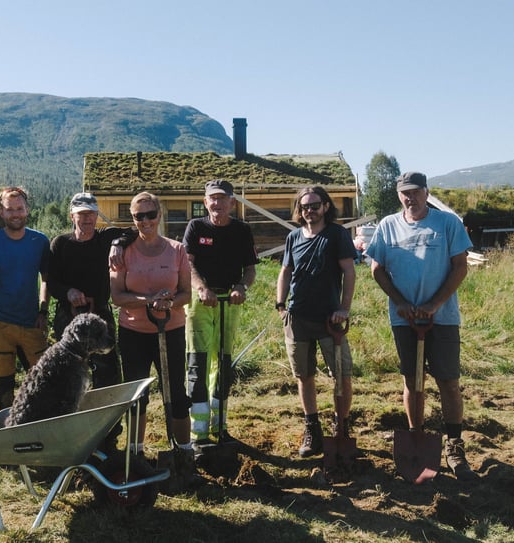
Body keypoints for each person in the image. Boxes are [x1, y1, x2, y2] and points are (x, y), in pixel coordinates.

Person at [364, 171, 478, 480]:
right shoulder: (388, 226)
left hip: (441, 319)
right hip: (404, 319)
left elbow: (460, 267)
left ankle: (454, 444)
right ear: (398, 195)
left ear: (426, 192)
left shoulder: (447, 223)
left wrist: (434, 304)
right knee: (412, 380)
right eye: (404, 192)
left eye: (415, 191)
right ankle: (417, 438)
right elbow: (378, 269)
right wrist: (401, 302)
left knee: (448, 381)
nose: (409, 197)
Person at [109, 192, 195, 470]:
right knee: (137, 395)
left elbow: (186, 294)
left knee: (176, 391)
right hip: (133, 332)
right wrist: (149, 301)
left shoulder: (177, 250)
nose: (145, 221)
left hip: (170, 330)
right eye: (138, 216)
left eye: (150, 214)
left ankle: (183, 452)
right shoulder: (123, 252)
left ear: (159, 215)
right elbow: (118, 297)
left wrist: (169, 302)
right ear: (132, 219)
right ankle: (136, 454)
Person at [48, 192, 134, 451]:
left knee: (107, 373)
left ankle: (108, 435)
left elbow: (132, 231)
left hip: (99, 315)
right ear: (72, 215)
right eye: (82, 214)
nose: (87, 219)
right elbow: (51, 282)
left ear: (97, 215)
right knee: (67, 373)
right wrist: (67, 292)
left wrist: (118, 243)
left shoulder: (105, 238)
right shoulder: (60, 244)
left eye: (91, 213)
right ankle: (68, 428)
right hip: (69, 317)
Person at [275, 186, 356, 457]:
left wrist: (344, 309)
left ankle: (341, 426)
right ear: (299, 209)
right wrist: (280, 305)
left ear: (325, 206)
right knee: (304, 376)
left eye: (315, 205)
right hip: (297, 318)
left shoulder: (337, 235)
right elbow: (285, 271)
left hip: (330, 320)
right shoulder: (293, 237)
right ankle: (313, 428)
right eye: (305, 206)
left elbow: (349, 272)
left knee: (341, 375)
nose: (310, 210)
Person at [183, 179, 258, 452]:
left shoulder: (241, 231)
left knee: (224, 364)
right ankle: (199, 432)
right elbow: (187, 265)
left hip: (230, 300)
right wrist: (201, 288)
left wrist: (242, 286)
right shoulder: (196, 227)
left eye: (222, 198)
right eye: (212, 199)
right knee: (197, 363)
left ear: (231, 202)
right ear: (206, 202)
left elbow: (250, 269)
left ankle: (220, 426)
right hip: (200, 301)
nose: (216, 203)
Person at [0, 186, 50, 410]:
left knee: (43, 380)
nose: (15, 214)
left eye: (19, 208)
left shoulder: (40, 241)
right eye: (10, 209)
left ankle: (39, 421)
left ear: (27, 210)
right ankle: (6, 422)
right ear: (1, 213)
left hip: (31, 321)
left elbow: (47, 279)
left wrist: (44, 310)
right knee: (3, 383)